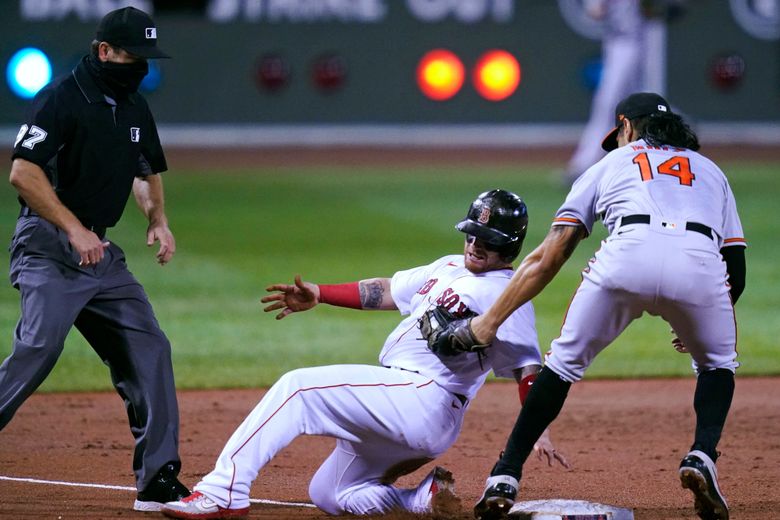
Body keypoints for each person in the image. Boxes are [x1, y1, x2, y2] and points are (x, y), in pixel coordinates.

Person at [161, 189, 569, 519]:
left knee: (298, 387)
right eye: (471, 235)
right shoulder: (449, 265)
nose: (475, 245)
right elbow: (389, 290)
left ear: (511, 246)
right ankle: (420, 500)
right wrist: (321, 294)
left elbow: (526, 366)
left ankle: (222, 492)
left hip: (425, 397)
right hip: (403, 407)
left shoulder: (508, 294)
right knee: (330, 493)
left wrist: (539, 429)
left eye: (489, 241)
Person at [443, 94, 744, 520]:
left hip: (626, 255)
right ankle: (702, 456)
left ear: (626, 127)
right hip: (699, 261)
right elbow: (737, 270)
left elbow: (551, 256)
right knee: (717, 364)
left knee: (562, 365)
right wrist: (701, 319)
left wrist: (488, 323)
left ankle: (504, 475)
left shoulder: (609, 164)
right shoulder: (712, 172)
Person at [1, 6, 189, 512]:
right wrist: (73, 228)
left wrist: (157, 219)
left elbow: (146, 169)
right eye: (133, 55)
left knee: (150, 347)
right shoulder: (62, 98)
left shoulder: (133, 106)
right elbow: (22, 172)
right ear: (104, 51)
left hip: (99, 255)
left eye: (146, 57)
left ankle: (157, 481)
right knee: (37, 349)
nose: (140, 67)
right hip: (48, 246)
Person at [563, 0, 685, 184]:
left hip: (633, 40)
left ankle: (583, 166)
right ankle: (680, 131)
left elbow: (597, 11)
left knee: (611, 103)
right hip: (619, 40)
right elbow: (595, 11)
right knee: (635, 101)